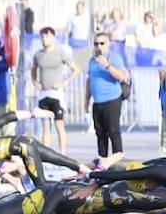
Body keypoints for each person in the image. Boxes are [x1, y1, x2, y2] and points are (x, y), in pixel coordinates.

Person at [31, 27, 79, 156]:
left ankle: (62, 154)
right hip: (43, 95)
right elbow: (33, 70)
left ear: (53, 37)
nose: (44, 39)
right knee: (46, 126)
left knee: (59, 125)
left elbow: (76, 69)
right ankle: (46, 155)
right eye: (42, 37)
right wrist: (35, 82)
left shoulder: (60, 53)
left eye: (47, 37)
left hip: (56, 95)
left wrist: (64, 82)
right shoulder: (38, 54)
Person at [86, 32, 129, 159]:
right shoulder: (92, 60)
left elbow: (121, 77)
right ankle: (102, 162)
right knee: (100, 134)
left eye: (102, 43)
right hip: (97, 101)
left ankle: (118, 160)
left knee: (114, 132)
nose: (99, 46)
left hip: (112, 100)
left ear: (108, 43)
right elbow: (89, 80)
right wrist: (86, 100)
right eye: (96, 43)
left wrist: (107, 66)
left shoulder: (114, 58)